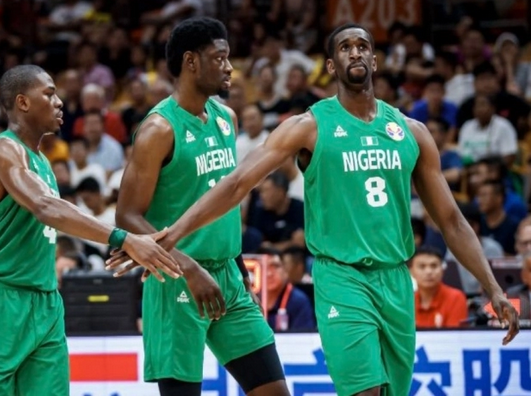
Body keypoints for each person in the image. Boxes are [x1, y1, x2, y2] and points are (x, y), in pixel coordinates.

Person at [110, 24, 521, 396]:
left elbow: (451, 220)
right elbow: (235, 185)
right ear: (330, 65)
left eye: (363, 46)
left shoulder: (410, 132)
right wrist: (171, 242)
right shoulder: (306, 125)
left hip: (390, 278)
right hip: (336, 275)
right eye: (345, 47)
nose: (355, 52)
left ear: (375, 60)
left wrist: (493, 287)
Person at [0, 64, 181, 396]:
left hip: (45, 301)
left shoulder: (43, 162)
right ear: (22, 102)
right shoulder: (3, 150)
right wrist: (124, 238)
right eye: (49, 94)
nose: (59, 101)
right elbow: (45, 207)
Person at [113, 17, 289, 396]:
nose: (229, 67)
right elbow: (126, 216)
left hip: (228, 277)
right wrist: (189, 269)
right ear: (191, 61)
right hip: (176, 278)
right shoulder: (159, 129)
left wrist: (239, 270)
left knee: (274, 390)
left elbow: (224, 201)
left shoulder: (227, 118)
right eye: (219, 58)